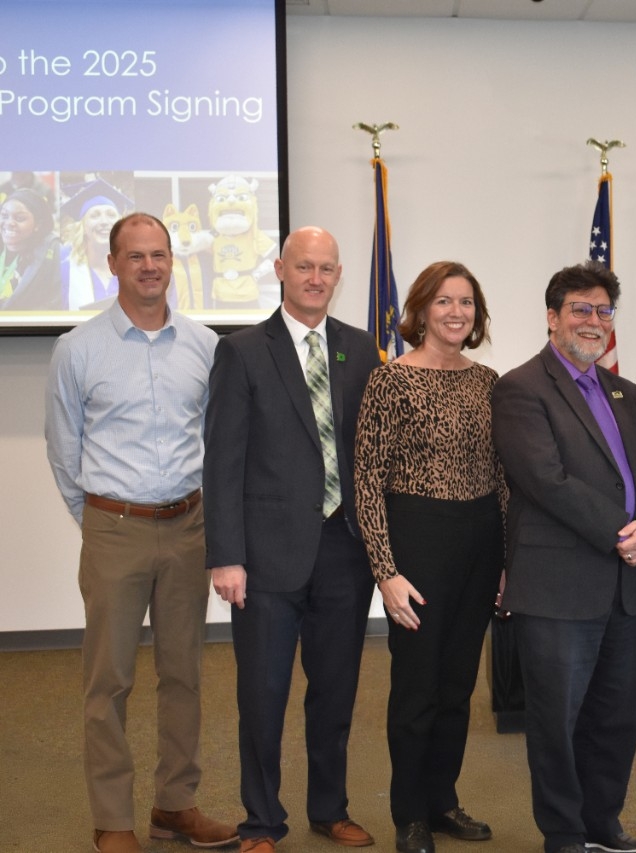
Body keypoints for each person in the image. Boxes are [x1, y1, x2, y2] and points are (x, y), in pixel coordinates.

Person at [44, 212, 237, 853]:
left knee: (184, 674)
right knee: (110, 681)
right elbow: (63, 448)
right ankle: (112, 818)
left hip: (189, 528)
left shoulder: (206, 345)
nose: (149, 266)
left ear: (172, 260)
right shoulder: (78, 348)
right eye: (135, 256)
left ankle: (175, 805)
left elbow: (215, 440)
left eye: (159, 254)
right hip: (114, 529)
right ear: (113, 264)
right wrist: (98, 522)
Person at [204, 226, 382, 853]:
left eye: (326, 269)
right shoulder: (244, 350)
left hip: (345, 550)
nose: (315, 278)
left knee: (335, 691)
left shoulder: (360, 350)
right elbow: (222, 460)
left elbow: (371, 453)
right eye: (303, 266)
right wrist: (225, 555)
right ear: (280, 269)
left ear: (338, 275)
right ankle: (261, 821)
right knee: (263, 695)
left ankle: (330, 808)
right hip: (267, 555)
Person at [491, 261, 636, 853]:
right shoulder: (520, 387)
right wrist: (627, 531)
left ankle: (603, 824)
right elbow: (546, 480)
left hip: (626, 583)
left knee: (617, 718)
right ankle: (565, 834)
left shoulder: (627, 391)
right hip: (558, 583)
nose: (594, 321)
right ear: (552, 318)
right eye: (581, 309)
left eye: (604, 311)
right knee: (557, 722)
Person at [353, 261, 503, 853]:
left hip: (480, 539)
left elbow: (503, 475)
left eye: (466, 302)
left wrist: (508, 559)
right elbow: (367, 483)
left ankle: (443, 801)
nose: (456, 313)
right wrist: (385, 573)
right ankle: (409, 813)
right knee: (417, 685)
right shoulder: (389, 381)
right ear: (421, 310)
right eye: (444, 301)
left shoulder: (489, 381)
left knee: (458, 684)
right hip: (417, 541)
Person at [60, 180, 129, 310]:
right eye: (94, 215)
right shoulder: (64, 268)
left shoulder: (135, 268)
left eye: (111, 215)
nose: (104, 222)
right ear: (83, 226)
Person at [0, 188, 61, 310]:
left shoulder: (53, 252)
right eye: (4, 215)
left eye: (19, 218)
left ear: (38, 224)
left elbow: (56, 304)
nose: (9, 223)